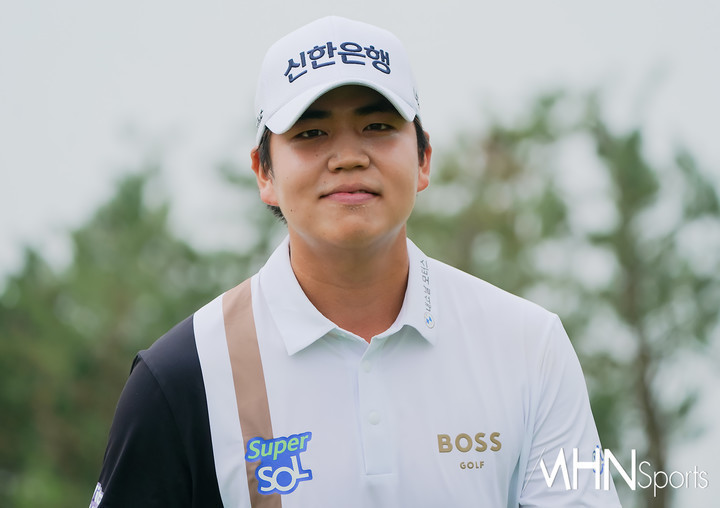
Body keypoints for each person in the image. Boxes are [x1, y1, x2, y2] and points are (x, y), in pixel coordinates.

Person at [91, 16, 621, 507]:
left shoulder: (529, 346)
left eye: (378, 126)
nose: (348, 156)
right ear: (264, 173)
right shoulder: (185, 375)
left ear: (423, 158)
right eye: (311, 133)